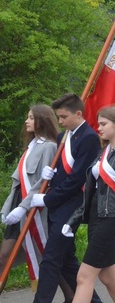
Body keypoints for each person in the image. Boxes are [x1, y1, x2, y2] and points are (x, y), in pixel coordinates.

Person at [64, 106, 115, 303]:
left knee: (84, 276)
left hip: (112, 219)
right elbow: (92, 193)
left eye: (103, 124)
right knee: (107, 276)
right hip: (97, 218)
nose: (99, 128)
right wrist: (73, 220)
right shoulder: (104, 152)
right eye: (99, 124)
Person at [30, 93, 103, 303]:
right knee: (67, 262)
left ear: (78, 113)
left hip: (73, 206)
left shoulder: (89, 137)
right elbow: (63, 171)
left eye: (63, 117)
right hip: (58, 206)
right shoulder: (63, 137)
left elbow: (78, 178)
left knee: (51, 260)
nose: (60, 121)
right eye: (58, 117)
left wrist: (47, 199)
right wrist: (50, 177)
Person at [0, 105, 75, 301]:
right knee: (3, 257)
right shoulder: (31, 146)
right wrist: (8, 207)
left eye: (31, 118)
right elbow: (17, 183)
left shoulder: (49, 147)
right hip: (19, 208)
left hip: (33, 210)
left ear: (42, 120)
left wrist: (22, 207)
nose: (27, 121)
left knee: (45, 258)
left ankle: (71, 295)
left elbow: (43, 183)